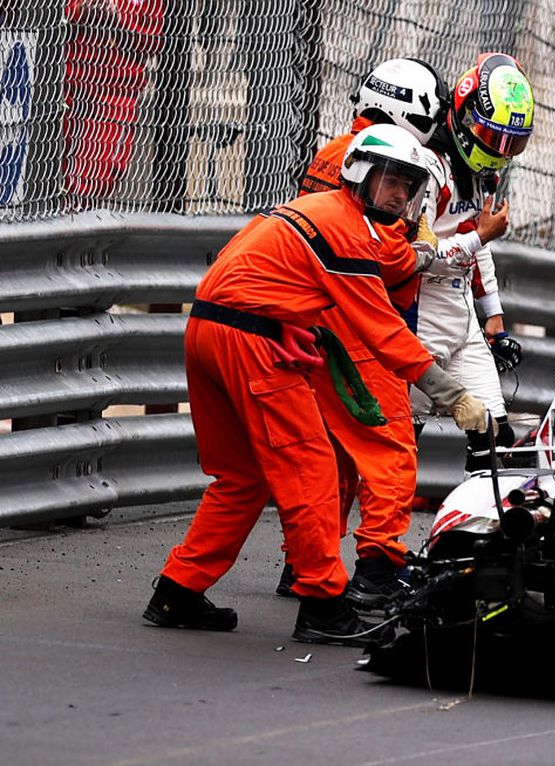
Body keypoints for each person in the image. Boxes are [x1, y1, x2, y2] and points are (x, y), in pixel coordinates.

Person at [142, 123, 491, 646]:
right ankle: (325, 604)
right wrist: (455, 396)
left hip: (210, 330)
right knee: (311, 468)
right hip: (252, 341)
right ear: (359, 175)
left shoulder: (317, 211)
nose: (400, 195)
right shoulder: (346, 232)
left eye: (409, 185)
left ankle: (177, 589)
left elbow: (262, 273)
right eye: (391, 180)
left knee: (242, 477)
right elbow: (384, 333)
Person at [276, 57, 487, 609]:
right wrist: (422, 252)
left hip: (323, 322)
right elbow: (384, 254)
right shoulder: (378, 161)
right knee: (392, 450)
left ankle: (305, 560)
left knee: (337, 456)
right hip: (361, 329)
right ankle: (378, 564)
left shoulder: (335, 152)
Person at [413, 51, 534, 471]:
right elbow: (416, 257)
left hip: (461, 316)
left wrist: (494, 316)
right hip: (418, 314)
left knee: (495, 436)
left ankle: (480, 531)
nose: (501, 151)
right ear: (464, 117)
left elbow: (478, 247)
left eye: (510, 142)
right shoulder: (426, 169)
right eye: (493, 136)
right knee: (401, 439)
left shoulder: (479, 176)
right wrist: (479, 235)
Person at [62, 0, 164, 202]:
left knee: (96, 178)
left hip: (113, 93)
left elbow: (155, 39)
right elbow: (43, 13)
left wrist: (117, 19)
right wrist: (81, 12)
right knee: (43, 170)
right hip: (63, 82)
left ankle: (76, 220)